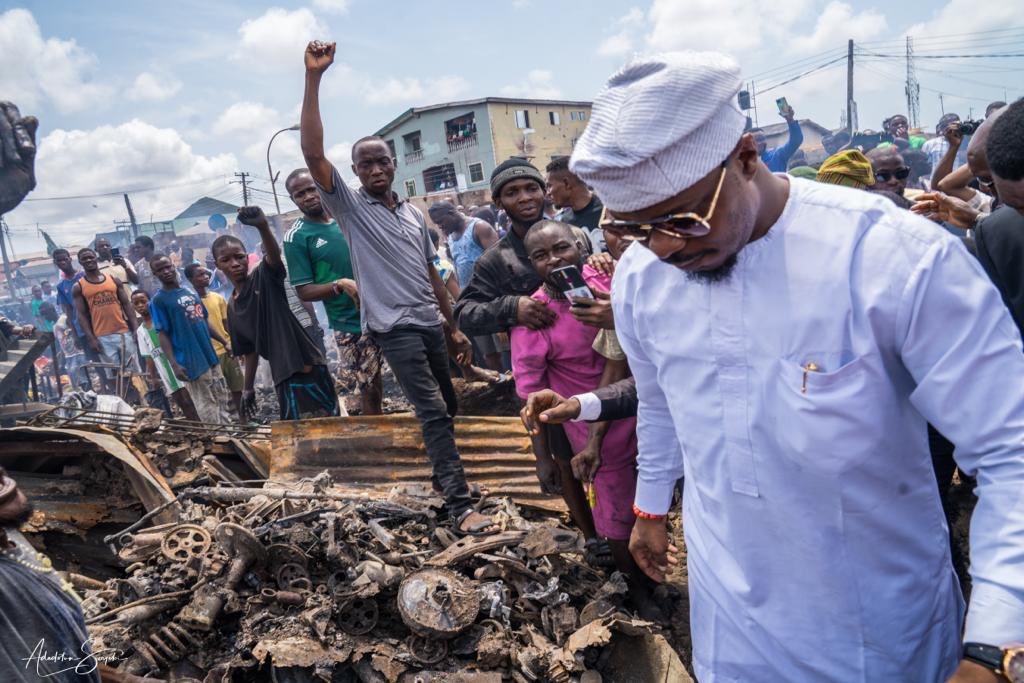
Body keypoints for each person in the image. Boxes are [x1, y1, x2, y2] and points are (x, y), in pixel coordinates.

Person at [571, 52, 1024, 681]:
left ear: (747, 156)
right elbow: (664, 404)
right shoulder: (643, 280)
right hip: (731, 619)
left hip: (880, 629)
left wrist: (997, 646)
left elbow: (1012, 452)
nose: (666, 247)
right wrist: (650, 509)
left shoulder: (892, 257)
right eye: (638, 228)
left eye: (684, 219)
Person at [300, 39, 493, 535]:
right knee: (431, 409)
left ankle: (439, 475)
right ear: (356, 171)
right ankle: (458, 504)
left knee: (447, 405)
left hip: (429, 322)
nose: (376, 169)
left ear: (394, 165)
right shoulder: (350, 208)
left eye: (382, 161)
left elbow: (430, 272)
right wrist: (314, 77)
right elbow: (312, 151)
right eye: (365, 164)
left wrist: (453, 327)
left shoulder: (412, 213)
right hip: (393, 327)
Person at [511, 221, 660, 617]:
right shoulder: (536, 319)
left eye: (562, 248)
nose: (555, 260)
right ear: (532, 264)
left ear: (579, 247)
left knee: (653, 498)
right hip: (592, 429)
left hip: (646, 408)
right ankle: (637, 591)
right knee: (614, 515)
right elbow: (532, 399)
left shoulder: (605, 281)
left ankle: (653, 577)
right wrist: (543, 456)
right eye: (542, 256)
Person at [216, 206, 339, 422]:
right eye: (226, 260)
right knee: (297, 429)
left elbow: (273, 257)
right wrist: (248, 389)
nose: (234, 264)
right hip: (282, 373)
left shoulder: (263, 278)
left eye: (239, 257)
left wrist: (263, 226)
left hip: (305, 361)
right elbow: (250, 350)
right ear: (217, 265)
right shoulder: (232, 307)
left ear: (247, 258)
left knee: (328, 421)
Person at [283, 167, 384, 415]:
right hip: (349, 322)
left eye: (311, 189)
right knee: (366, 388)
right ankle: (373, 441)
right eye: (299, 194)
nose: (307, 196)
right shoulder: (296, 237)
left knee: (390, 380)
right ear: (293, 199)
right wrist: (340, 284)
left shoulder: (347, 216)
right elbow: (304, 291)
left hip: (386, 311)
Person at [148, 255, 230, 424]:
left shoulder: (190, 291)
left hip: (209, 354)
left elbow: (204, 320)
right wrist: (174, 364)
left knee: (221, 395)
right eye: (160, 270)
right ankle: (218, 438)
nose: (166, 272)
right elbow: (162, 333)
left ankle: (230, 434)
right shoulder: (158, 300)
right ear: (155, 274)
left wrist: (224, 341)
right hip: (190, 359)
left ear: (173, 266)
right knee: (206, 402)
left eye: (168, 267)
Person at [428, 200, 504, 372]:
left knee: (506, 348)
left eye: (441, 222)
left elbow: (500, 264)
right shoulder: (452, 237)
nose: (440, 227)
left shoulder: (479, 228)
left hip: (493, 299)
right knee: (488, 353)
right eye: (437, 225)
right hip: (473, 303)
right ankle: (504, 388)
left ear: (452, 213)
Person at [71, 247, 138, 394]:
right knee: (114, 376)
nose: (88, 260)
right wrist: (91, 338)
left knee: (132, 372)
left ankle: (139, 400)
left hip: (123, 331)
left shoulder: (113, 280)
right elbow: (81, 315)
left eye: (90, 257)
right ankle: (125, 402)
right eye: (84, 259)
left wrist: (134, 328)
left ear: (95, 258)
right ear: (80, 263)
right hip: (102, 336)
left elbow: (127, 304)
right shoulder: (79, 287)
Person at [131, 289, 200, 421]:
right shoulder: (140, 332)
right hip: (165, 372)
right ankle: (198, 429)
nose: (140, 305)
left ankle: (203, 426)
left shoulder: (162, 320)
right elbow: (148, 356)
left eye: (143, 301)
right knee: (182, 402)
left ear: (150, 301)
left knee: (192, 399)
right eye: (136, 303)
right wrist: (154, 378)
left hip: (180, 365)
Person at [186, 264, 243, 420]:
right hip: (208, 354)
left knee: (237, 387)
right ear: (190, 279)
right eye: (200, 275)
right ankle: (227, 420)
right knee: (218, 390)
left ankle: (244, 419)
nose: (205, 277)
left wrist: (234, 344)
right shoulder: (190, 301)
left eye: (206, 274)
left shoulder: (217, 298)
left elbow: (227, 324)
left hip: (226, 349)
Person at [545, 157, 607, 253]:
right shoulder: (564, 222)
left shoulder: (609, 210)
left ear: (566, 183)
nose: (548, 193)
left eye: (549, 186)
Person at [750, 100, 803, 172]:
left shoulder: (776, 155)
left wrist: (790, 120)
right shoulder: (741, 164)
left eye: (762, 139)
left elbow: (796, 141)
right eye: (755, 140)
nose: (759, 143)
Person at [52, 310, 88, 390]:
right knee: (75, 382)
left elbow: (74, 330)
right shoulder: (54, 327)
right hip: (69, 356)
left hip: (78, 353)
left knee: (83, 379)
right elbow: (61, 344)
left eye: (45, 314)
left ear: (51, 311)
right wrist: (62, 360)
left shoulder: (64, 318)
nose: (45, 317)